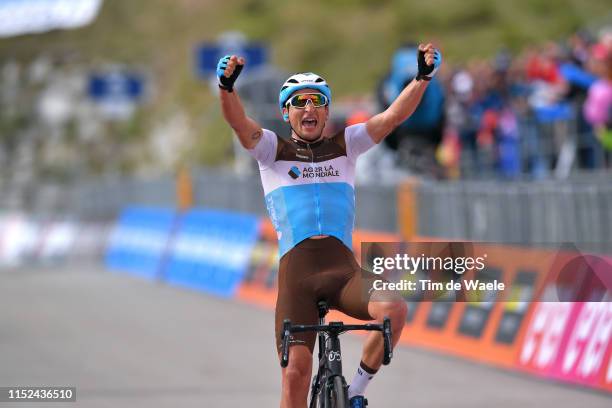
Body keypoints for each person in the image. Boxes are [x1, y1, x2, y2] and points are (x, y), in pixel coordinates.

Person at [216, 43, 441, 408]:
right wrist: (227, 89)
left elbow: (393, 117)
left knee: (394, 309)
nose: (309, 108)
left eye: (317, 102)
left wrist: (422, 78)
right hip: (297, 279)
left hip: (343, 272)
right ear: (286, 113)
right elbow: (239, 124)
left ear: (326, 111)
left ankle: (355, 392)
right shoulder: (272, 151)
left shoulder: (347, 145)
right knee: (294, 377)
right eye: (300, 102)